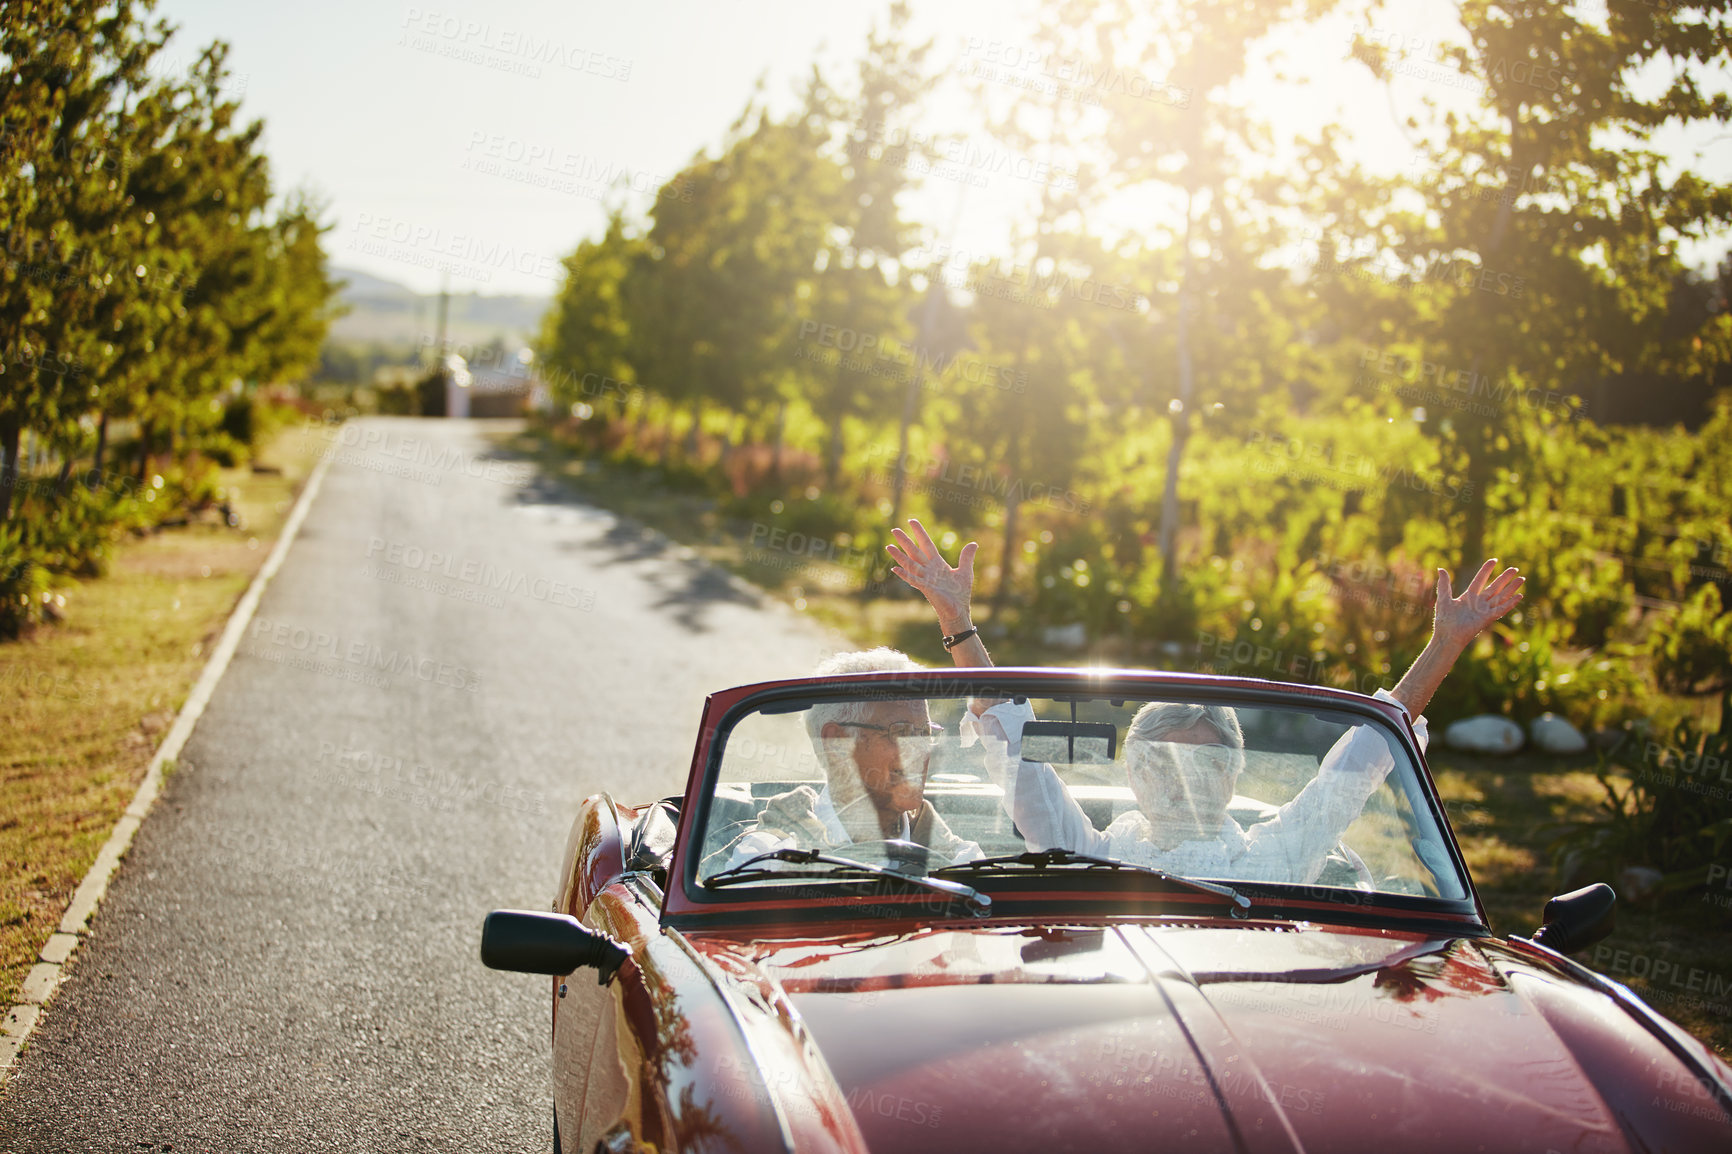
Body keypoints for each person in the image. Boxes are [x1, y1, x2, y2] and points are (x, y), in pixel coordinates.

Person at [884, 518, 1524, 884]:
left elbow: (1361, 761)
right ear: (1134, 773)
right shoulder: (1091, 852)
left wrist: (1445, 644)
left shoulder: (1274, 856)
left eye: (1207, 766)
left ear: (1234, 776)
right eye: (1162, 764)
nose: (1183, 784)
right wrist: (958, 621)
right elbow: (1012, 745)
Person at [703, 648, 981, 875]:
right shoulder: (770, 858)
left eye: (925, 733)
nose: (921, 750)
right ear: (837, 743)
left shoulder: (958, 859)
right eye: (902, 732)